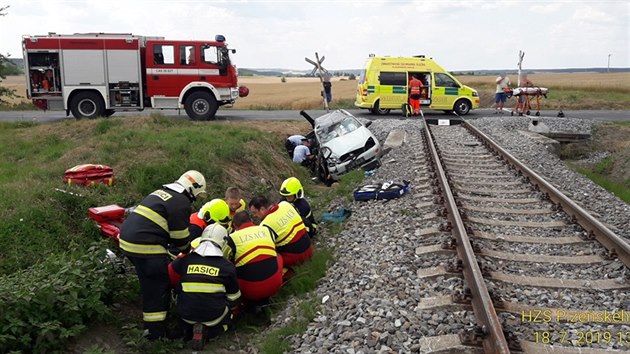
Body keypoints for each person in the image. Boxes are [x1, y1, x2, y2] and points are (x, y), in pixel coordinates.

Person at [118, 170, 206, 340]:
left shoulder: (161, 192)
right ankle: (155, 335)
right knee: (159, 287)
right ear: (193, 190)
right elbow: (179, 238)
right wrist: (189, 251)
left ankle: (150, 322)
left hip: (127, 241)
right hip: (145, 247)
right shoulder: (181, 203)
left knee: (149, 281)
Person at [168, 224, 240, 350]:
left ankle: (186, 330)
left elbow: (170, 275)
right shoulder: (227, 267)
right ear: (223, 243)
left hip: (185, 314)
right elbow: (234, 298)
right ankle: (211, 332)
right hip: (213, 316)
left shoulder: (186, 259)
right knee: (228, 318)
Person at [224, 211, 283, 302]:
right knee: (276, 255)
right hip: (276, 284)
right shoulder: (266, 229)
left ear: (234, 225)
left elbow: (224, 261)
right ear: (250, 220)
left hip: (249, 291)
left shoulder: (231, 239)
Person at [249, 196, 313, 268]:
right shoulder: (285, 204)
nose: (254, 216)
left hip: (296, 257)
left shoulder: (265, 225)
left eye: (255, 212)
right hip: (309, 247)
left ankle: (286, 273)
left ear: (262, 209)